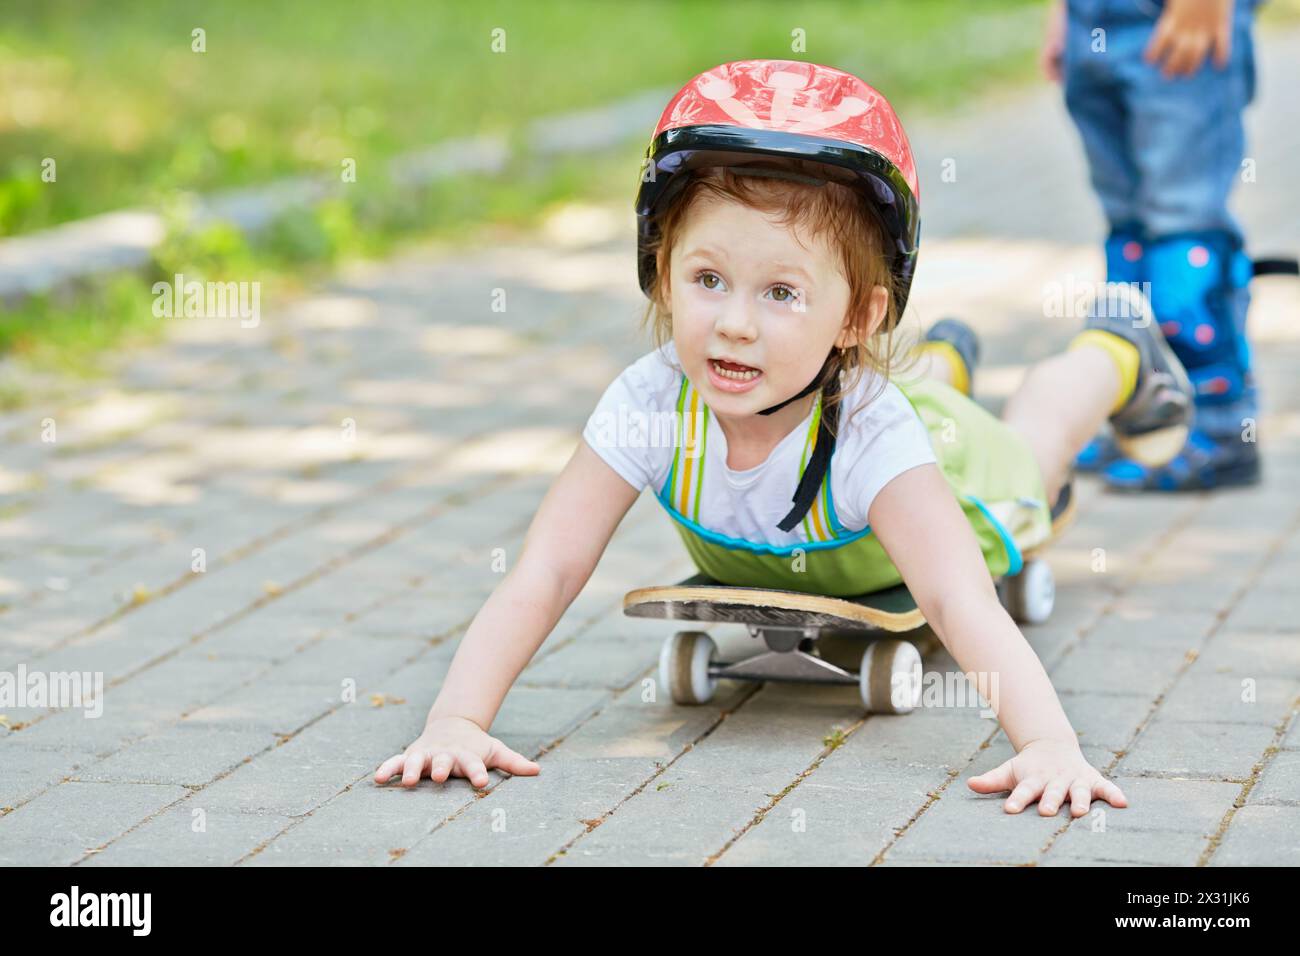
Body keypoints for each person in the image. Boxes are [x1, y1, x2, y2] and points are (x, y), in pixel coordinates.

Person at [375, 60, 1198, 817]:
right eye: (707, 280)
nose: (733, 324)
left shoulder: (876, 430)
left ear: (857, 317)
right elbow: (548, 568)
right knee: (909, 403)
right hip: (864, 415)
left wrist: (1048, 744)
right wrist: (456, 719)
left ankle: (1117, 353)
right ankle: (942, 361)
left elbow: (955, 600)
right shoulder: (651, 400)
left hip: (953, 481)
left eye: (780, 292)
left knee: (1034, 444)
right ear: (660, 272)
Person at [1042, 0, 1263, 489]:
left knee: (1184, 227)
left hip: (1178, 14)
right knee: (1129, 227)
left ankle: (1221, 425)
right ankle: (1145, 417)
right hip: (1092, 21)